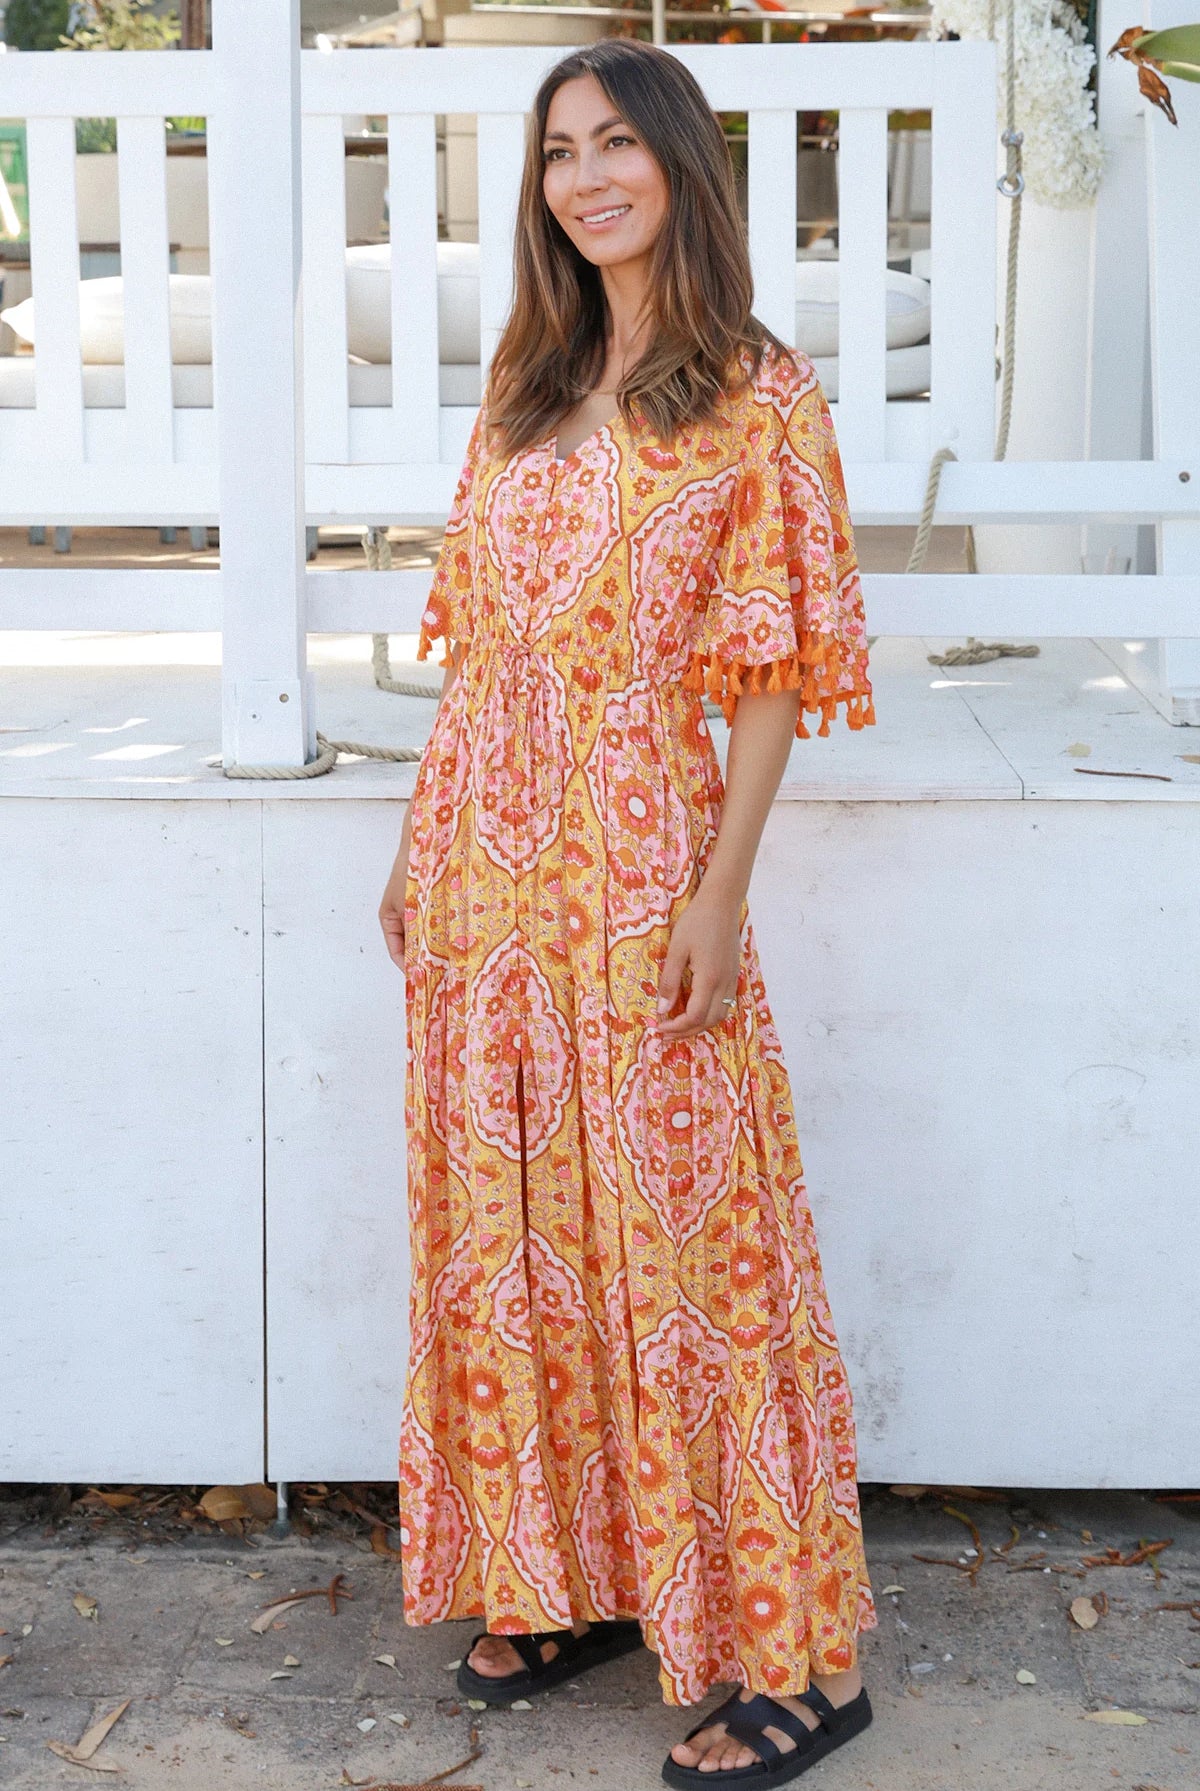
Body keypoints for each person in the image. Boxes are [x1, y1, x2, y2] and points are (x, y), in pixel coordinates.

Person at [377, 37, 878, 1788]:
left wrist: (722, 895)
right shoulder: (530, 375)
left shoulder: (759, 393)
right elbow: (479, 651)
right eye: (556, 153)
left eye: (614, 145)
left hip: (641, 858)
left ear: (677, 162)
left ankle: (800, 1660)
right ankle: (577, 1574)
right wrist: (415, 840)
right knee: (519, 1234)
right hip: (482, 876)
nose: (584, 178)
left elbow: (769, 678)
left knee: (692, 1252)